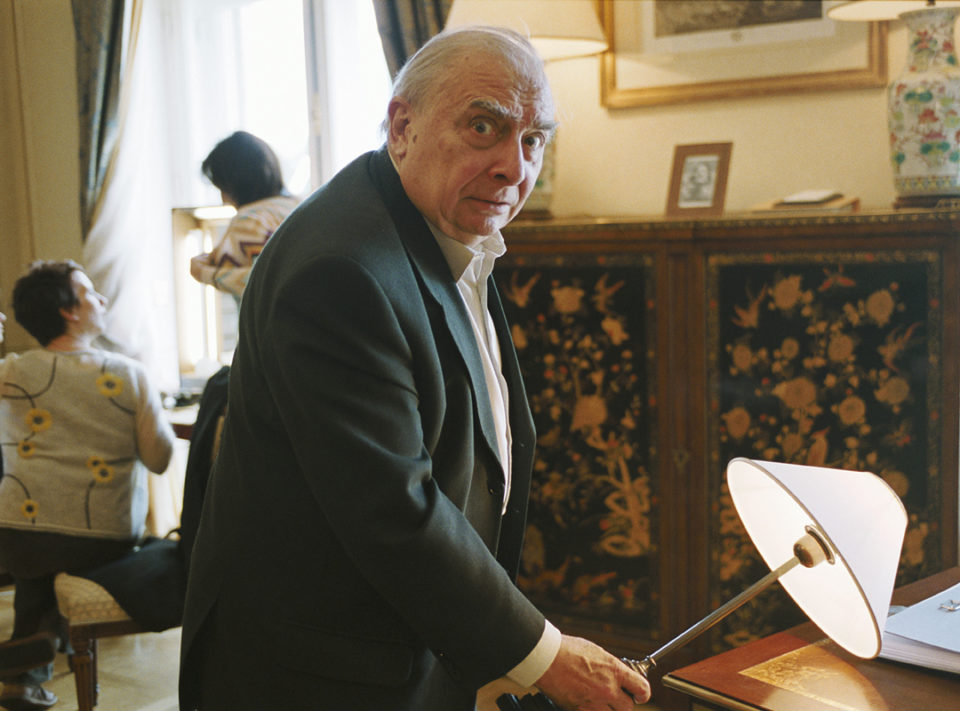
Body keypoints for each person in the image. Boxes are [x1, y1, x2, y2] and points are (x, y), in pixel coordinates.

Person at [178, 26, 651, 711]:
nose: (513, 167)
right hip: (314, 677)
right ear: (402, 127)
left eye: (532, 139)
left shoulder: (439, 224)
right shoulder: (341, 270)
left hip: (396, 648)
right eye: (484, 127)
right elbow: (394, 509)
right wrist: (542, 653)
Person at [0, 261, 175, 710]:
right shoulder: (129, 374)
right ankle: (41, 642)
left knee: (35, 576)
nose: (102, 299)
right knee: (139, 552)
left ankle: (24, 669)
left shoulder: (12, 371)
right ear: (69, 311)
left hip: (20, 531)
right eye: (91, 293)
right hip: (101, 537)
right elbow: (159, 460)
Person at [189, 131, 299, 301]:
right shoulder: (297, 206)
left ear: (235, 185)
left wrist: (203, 271)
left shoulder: (249, 220)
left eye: (222, 188)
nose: (223, 199)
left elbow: (264, 284)